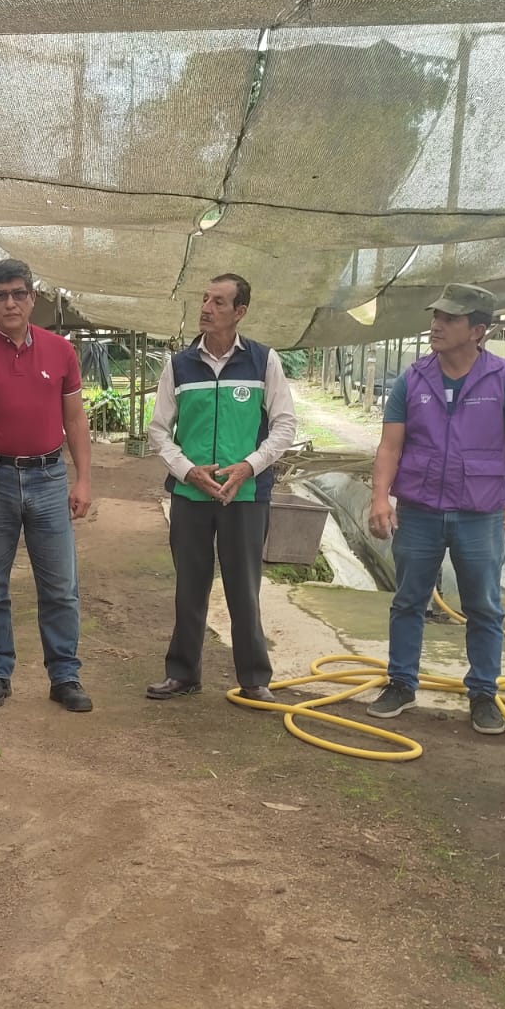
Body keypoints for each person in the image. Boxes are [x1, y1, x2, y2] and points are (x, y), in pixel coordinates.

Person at [366, 283, 505, 735]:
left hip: (479, 513)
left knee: (484, 606)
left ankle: (483, 693)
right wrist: (380, 497)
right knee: (408, 600)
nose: (436, 325)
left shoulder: (504, 379)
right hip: (420, 510)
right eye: (436, 316)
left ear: (477, 330)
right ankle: (401, 683)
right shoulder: (412, 379)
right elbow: (390, 446)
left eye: (449, 319)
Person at [0, 258, 93, 713]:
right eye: (1, 295)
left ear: (32, 298)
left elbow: (75, 419)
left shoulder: (60, 352)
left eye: (19, 294)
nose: (11, 303)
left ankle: (64, 675)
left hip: (48, 477)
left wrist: (84, 479)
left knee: (60, 585)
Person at [146, 274, 297, 704]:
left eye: (218, 302)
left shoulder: (263, 361)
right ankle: (182, 674)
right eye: (205, 299)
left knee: (243, 588)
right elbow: (159, 430)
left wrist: (249, 467)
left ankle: (254, 678)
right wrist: (187, 471)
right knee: (189, 587)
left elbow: (284, 425)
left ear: (239, 312)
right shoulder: (179, 365)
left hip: (245, 496)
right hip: (190, 495)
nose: (206, 308)